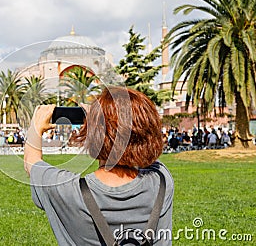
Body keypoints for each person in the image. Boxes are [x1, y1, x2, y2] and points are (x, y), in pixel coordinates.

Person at [24, 87, 174, 245]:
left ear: (94, 134)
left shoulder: (68, 191)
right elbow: (146, 148)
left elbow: (31, 162)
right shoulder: (162, 181)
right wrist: (107, 122)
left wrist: (36, 128)